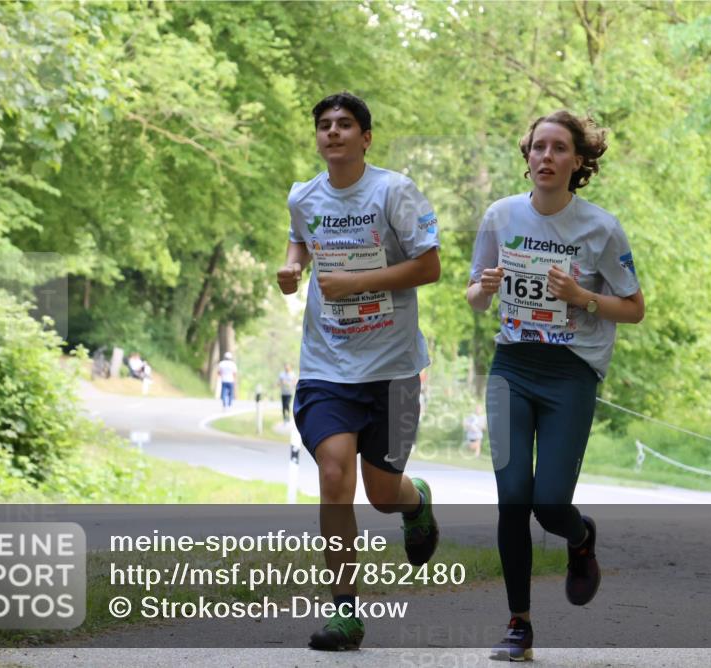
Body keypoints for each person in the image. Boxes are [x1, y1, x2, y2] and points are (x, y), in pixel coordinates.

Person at [467, 110, 644, 660]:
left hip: (570, 372)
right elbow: (473, 296)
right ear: (527, 158)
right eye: (537, 147)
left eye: (558, 148)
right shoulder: (500, 216)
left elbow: (634, 308)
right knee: (512, 497)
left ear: (578, 161)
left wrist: (582, 298)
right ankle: (519, 623)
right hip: (512, 367)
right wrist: (486, 287)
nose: (546, 157)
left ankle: (580, 536)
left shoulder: (601, 227)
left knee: (548, 504)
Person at [276, 91, 441, 651]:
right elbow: (301, 237)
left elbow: (430, 265)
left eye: (346, 124)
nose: (334, 132)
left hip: (393, 369)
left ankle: (414, 501)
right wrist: (293, 266)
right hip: (328, 363)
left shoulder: (393, 192)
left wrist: (358, 283)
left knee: (381, 493)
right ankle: (345, 613)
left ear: (366, 137)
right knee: (333, 473)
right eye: (325, 125)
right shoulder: (304, 196)